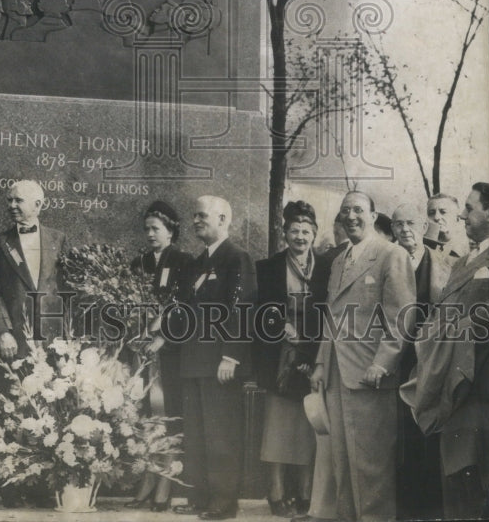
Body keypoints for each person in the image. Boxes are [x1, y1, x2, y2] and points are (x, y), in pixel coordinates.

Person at [309, 191, 415, 522]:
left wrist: (382, 363)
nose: (351, 216)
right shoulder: (339, 260)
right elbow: (333, 317)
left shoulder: (391, 254)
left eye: (358, 210)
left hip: (370, 376)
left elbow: (402, 316)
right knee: (342, 462)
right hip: (338, 376)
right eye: (345, 211)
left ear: (372, 215)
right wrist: (320, 363)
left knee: (371, 465)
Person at [404, 182, 489, 520]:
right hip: (452, 392)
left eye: (469, 208)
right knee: (456, 491)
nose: (462, 215)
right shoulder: (463, 263)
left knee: (479, 492)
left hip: (479, 389)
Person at [171, 195, 256, 521]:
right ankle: (200, 495)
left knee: (221, 434)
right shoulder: (196, 263)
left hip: (219, 363)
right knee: (197, 432)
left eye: (202, 216)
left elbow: (242, 308)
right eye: (193, 216)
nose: (195, 221)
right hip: (193, 362)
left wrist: (231, 357)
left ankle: (223, 503)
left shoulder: (237, 258)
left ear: (223, 220)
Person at [256, 201, 333, 518]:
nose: (300, 237)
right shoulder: (269, 267)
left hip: (314, 353)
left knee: (307, 424)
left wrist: (314, 348)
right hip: (280, 358)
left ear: (314, 234)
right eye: (294, 231)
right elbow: (259, 311)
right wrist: (279, 326)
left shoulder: (327, 268)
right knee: (278, 424)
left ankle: (304, 491)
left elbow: (332, 311)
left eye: (306, 231)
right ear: (284, 233)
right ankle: (275, 490)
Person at [127, 201, 190, 512]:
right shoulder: (137, 263)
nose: (150, 234)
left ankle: (165, 480)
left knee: (167, 414)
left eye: (156, 228)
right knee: (146, 416)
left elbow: (185, 307)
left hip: (171, 354)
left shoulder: (184, 261)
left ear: (171, 230)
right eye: (147, 228)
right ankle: (148, 477)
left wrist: (163, 335)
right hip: (142, 353)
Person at [390, 200, 450, 520]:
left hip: (430, 361)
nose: (405, 230)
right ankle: (401, 505)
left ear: (424, 226)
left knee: (426, 426)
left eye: (411, 223)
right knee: (396, 432)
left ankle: (429, 505)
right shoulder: (385, 260)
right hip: (394, 361)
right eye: (398, 224)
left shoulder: (443, 264)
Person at [0, 179, 67, 364]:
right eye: (9, 200)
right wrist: (3, 332)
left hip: (54, 343)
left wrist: (67, 335)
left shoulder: (58, 239)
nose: (11, 206)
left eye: (18, 200)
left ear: (37, 205)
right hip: (14, 343)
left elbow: (65, 289)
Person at [425, 193, 464, 260]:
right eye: (432, 213)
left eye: (443, 212)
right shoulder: (422, 250)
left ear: (457, 218)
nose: (436, 217)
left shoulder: (466, 250)